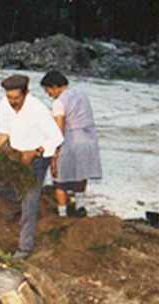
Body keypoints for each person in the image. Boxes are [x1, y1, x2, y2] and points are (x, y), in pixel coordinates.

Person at [0, 74, 63, 259]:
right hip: (16, 155)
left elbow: (56, 138)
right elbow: (4, 132)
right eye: (9, 98)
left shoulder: (38, 110)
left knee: (30, 200)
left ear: (26, 93)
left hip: (38, 158)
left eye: (16, 98)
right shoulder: (4, 105)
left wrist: (35, 152)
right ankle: (16, 206)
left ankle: (25, 247)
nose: (12, 102)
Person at [41, 70, 102, 218]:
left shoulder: (59, 102)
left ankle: (62, 213)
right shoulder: (82, 94)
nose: (49, 94)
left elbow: (59, 127)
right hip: (89, 138)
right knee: (81, 173)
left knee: (60, 178)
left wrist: (54, 149)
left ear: (55, 87)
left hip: (72, 139)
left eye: (48, 91)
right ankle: (80, 205)